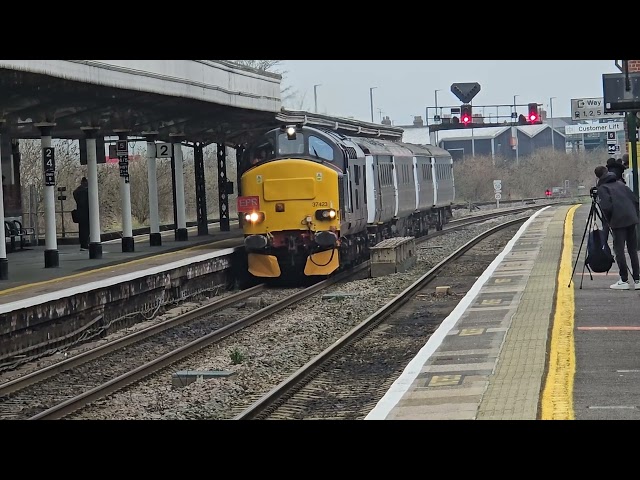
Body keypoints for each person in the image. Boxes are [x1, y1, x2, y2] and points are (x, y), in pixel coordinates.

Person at [595, 165, 640, 290]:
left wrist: (608, 222)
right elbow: (635, 200)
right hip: (631, 219)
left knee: (619, 250)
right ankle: (638, 279)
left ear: (598, 177)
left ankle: (624, 279)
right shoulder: (621, 184)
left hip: (618, 221)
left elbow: (606, 207)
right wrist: (635, 215)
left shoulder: (603, 188)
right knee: (632, 250)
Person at [73, 177, 90, 251]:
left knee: (82, 229)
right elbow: (84, 202)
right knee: (86, 229)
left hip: (80, 212)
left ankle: (83, 244)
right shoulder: (86, 191)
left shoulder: (77, 191)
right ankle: (85, 244)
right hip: (86, 212)